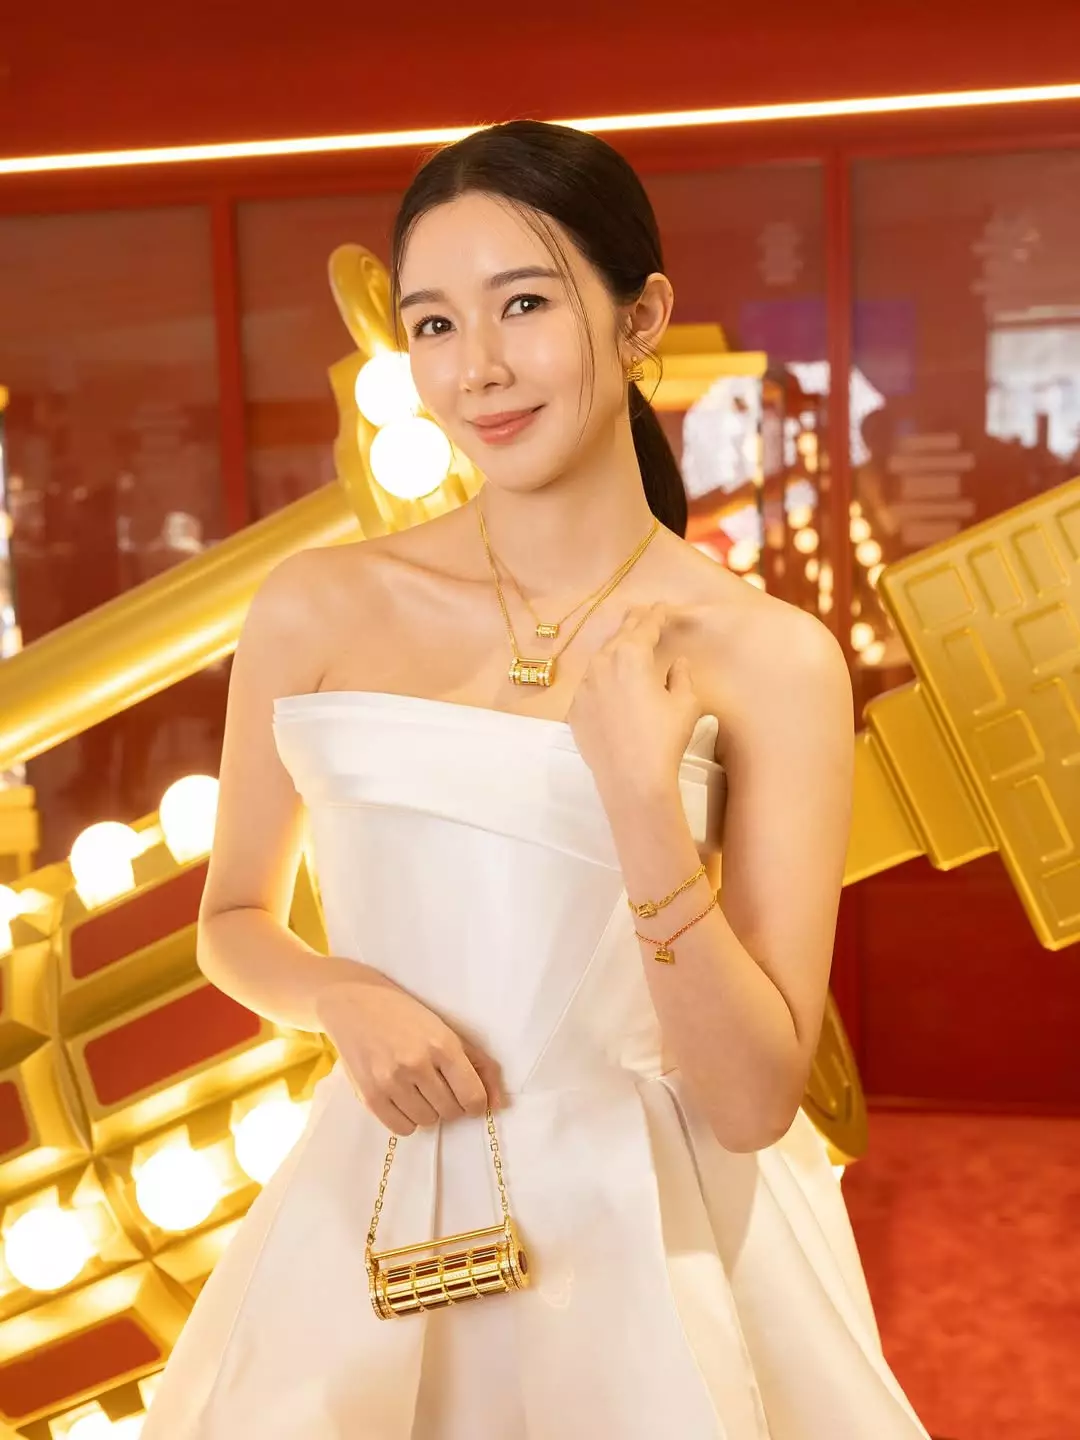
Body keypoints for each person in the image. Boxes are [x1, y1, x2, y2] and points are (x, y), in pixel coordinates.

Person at [143, 120, 930, 1439]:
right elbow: (230, 921)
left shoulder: (768, 657)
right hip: (375, 1207)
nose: (480, 368)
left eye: (525, 304)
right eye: (434, 324)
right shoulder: (316, 604)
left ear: (641, 319)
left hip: (655, 1243)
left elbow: (751, 1101)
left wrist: (643, 809)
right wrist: (340, 996)